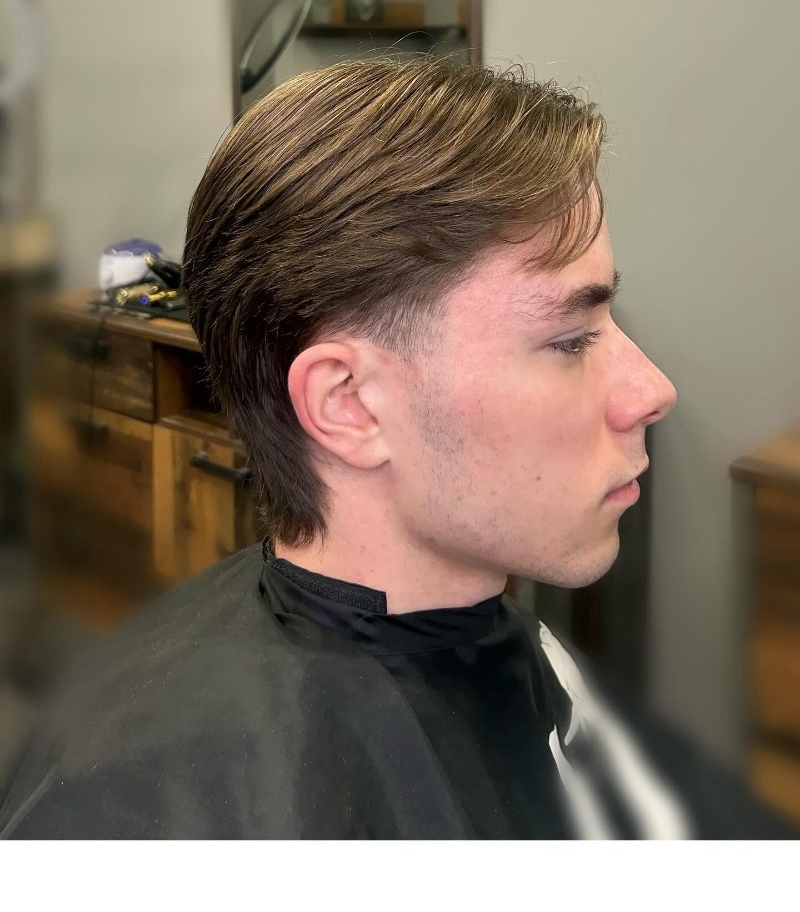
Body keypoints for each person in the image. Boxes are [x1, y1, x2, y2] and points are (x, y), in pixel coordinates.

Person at [0, 59, 792, 838]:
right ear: (348, 404)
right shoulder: (142, 813)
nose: (652, 390)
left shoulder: (531, 660)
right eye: (569, 340)